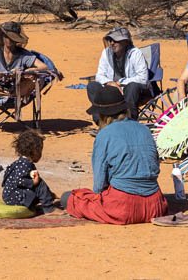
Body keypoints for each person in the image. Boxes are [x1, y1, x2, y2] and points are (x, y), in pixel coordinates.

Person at [61, 85, 167, 224]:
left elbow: (99, 185)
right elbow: (154, 165)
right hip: (156, 206)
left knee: (68, 198)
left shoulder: (104, 135)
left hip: (122, 208)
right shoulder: (144, 130)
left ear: (103, 115)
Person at [0, 22, 59, 103]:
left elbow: (44, 67)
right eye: (7, 37)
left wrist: (26, 72)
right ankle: (3, 96)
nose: (9, 40)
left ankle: (11, 96)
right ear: (2, 37)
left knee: (37, 80)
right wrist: (2, 76)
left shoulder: (23, 54)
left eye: (12, 37)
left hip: (18, 88)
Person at [90, 27, 149, 120]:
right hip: (112, 90)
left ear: (125, 42)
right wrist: (110, 83)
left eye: (115, 40)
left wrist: (120, 82)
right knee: (92, 86)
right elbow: (99, 75)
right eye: (110, 40)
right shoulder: (106, 53)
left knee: (132, 86)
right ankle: (101, 122)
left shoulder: (136, 54)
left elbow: (143, 78)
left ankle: (130, 121)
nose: (112, 43)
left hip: (131, 90)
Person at [1, 129, 57, 213]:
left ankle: (48, 197)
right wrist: (33, 182)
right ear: (34, 151)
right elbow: (18, 180)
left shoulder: (19, 162)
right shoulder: (25, 164)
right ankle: (49, 208)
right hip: (16, 198)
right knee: (40, 184)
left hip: (9, 197)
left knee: (38, 185)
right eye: (40, 151)